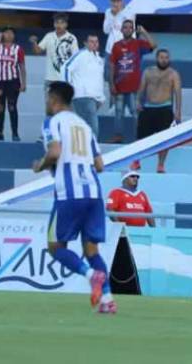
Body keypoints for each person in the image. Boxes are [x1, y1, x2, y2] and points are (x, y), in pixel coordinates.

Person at [35, 81, 116, 314]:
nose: (46, 102)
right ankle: (107, 301)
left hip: (68, 194)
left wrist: (40, 165)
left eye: (48, 98)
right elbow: (99, 165)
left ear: (54, 99)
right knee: (92, 250)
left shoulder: (52, 122)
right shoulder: (85, 126)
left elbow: (54, 152)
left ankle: (91, 276)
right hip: (93, 192)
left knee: (55, 247)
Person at [137, 49, 180, 174]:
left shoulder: (173, 74)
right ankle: (136, 160)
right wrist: (138, 101)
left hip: (165, 108)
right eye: (162, 57)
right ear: (157, 58)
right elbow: (141, 88)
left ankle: (161, 164)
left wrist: (178, 111)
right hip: (148, 107)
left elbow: (178, 93)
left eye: (166, 57)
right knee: (141, 137)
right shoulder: (148, 72)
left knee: (165, 139)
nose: (164, 60)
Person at [0, 26, 25, 142]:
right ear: (2, 34)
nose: (9, 35)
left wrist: (23, 83)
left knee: (12, 106)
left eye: (11, 33)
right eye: (6, 33)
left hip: (13, 81)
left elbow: (22, 67)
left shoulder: (18, 49)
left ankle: (15, 133)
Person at [64, 35, 106, 138]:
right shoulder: (81, 55)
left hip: (95, 99)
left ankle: (82, 146)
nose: (94, 44)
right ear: (85, 43)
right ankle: (90, 147)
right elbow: (66, 68)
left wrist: (101, 98)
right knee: (93, 128)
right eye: (91, 41)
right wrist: (68, 88)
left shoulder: (99, 59)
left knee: (84, 128)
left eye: (96, 41)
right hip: (83, 96)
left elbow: (98, 79)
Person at [31, 13, 79, 88]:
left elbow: (76, 58)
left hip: (65, 79)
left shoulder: (72, 38)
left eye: (61, 23)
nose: (59, 25)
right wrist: (34, 42)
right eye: (57, 22)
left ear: (66, 24)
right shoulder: (49, 36)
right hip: (50, 79)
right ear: (54, 24)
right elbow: (37, 51)